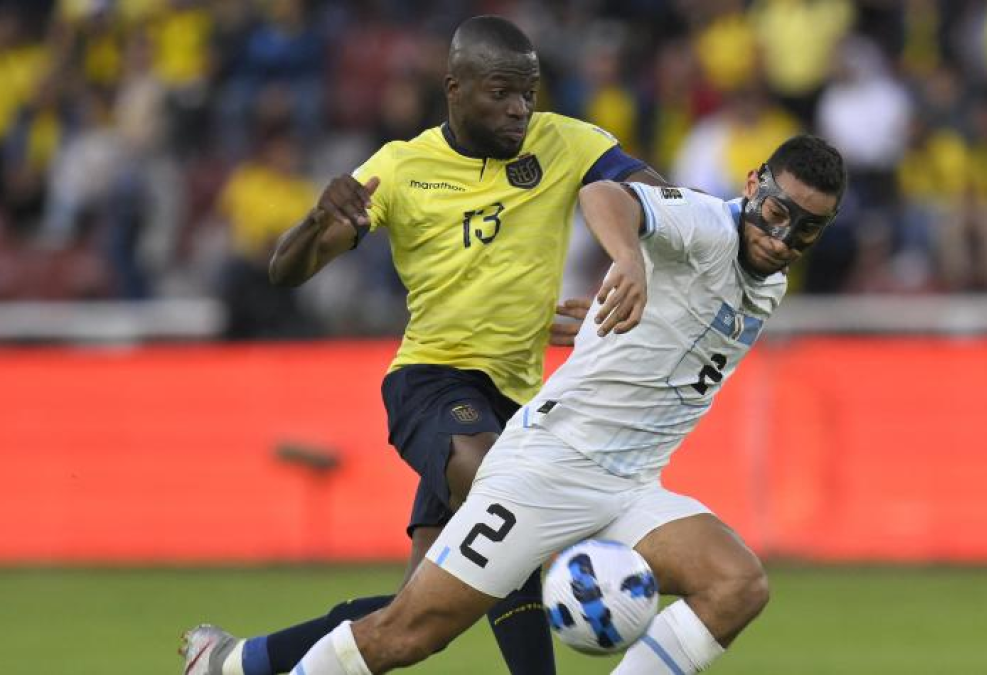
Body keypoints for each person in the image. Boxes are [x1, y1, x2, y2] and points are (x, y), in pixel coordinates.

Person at [180, 15, 667, 675]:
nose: (521, 108)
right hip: (433, 385)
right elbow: (286, 271)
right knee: (512, 499)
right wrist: (319, 215)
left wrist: (658, 244)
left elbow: (661, 196)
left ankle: (236, 661)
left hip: (516, 405)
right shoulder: (401, 167)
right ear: (455, 88)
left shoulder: (566, 143)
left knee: (422, 617)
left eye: (529, 91)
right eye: (501, 92)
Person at [288, 134, 846, 674]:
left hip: (629, 488)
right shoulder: (707, 224)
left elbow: (679, 327)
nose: (782, 238)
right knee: (405, 633)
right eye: (776, 214)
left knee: (736, 585)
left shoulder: (769, 281)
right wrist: (627, 260)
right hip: (547, 470)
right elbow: (602, 195)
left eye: (807, 229)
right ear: (753, 186)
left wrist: (624, 323)